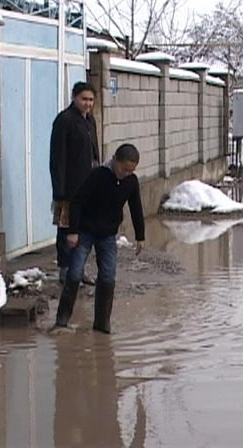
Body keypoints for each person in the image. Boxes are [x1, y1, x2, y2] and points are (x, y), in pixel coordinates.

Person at [53, 144, 145, 334]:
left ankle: (102, 325)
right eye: (124, 169)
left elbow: (136, 207)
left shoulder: (131, 181)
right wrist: (72, 231)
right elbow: (77, 202)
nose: (126, 173)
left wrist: (140, 236)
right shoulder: (98, 175)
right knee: (75, 273)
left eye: (131, 170)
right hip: (85, 231)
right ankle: (61, 322)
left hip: (108, 235)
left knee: (108, 277)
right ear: (114, 160)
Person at [50, 81, 100, 285]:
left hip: (88, 186)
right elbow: (57, 159)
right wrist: (59, 192)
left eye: (91, 100)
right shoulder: (64, 121)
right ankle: (65, 269)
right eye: (84, 99)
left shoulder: (90, 121)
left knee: (84, 229)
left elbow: (95, 152)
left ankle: (79, 268)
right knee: (65, 228)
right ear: (74, 98)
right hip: (68, 186)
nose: (87, 104)